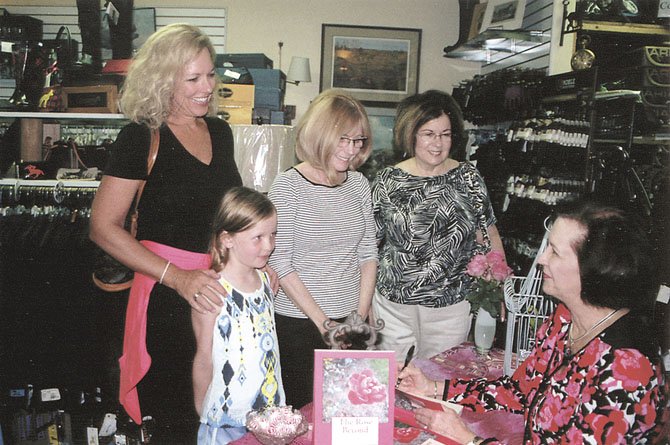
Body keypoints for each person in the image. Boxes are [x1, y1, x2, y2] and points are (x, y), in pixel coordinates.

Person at [397, 200, 667, 444]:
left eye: (555, 252)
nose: (541, 259)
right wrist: (433, 387)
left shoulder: (625, 370)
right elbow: (521, 391)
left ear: (595, 269)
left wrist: (469, 440)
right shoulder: (564, 319)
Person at [89, 23, 243, 442]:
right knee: (176, 421)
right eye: (192, 78)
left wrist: (256, 267)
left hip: (216, 293)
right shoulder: (140, 137)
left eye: (211, 75)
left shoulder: (221, 133)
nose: (207, 87)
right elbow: (103, 228)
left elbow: (230, 215)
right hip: (166, 298)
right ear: (162, 79)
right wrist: (177, 276)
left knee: (220, 416)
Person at [372, 90, 506, 360]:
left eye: (445, 134)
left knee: (440, 381)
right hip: (392, 307)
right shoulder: (388, 180)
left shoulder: (467, 176)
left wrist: (498, 287)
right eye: (428, 134)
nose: (438, 143)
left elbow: (488, 234)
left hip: (451, 307)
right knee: (388, 381)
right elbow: (369, 244)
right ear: (411, 135)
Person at [268, 89, 378, 409]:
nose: (351, 150)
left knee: (347, 411)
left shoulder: (358, 183)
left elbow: (368, 253)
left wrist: (358, 316)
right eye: (344, 140)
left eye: (358, 141)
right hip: (300, 322)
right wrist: (324, 323)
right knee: (305, 412)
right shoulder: (288, 186)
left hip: (350, 318)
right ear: (320, 134)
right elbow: (281, 260)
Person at [192, 186, 285, 444]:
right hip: (226, 420)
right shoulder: (212, 291)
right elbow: (203, 356)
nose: (269, 246)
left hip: (267, 414)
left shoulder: (266, 280)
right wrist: (204, 411)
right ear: (228, 239)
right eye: (258, 238)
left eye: (273, 235)